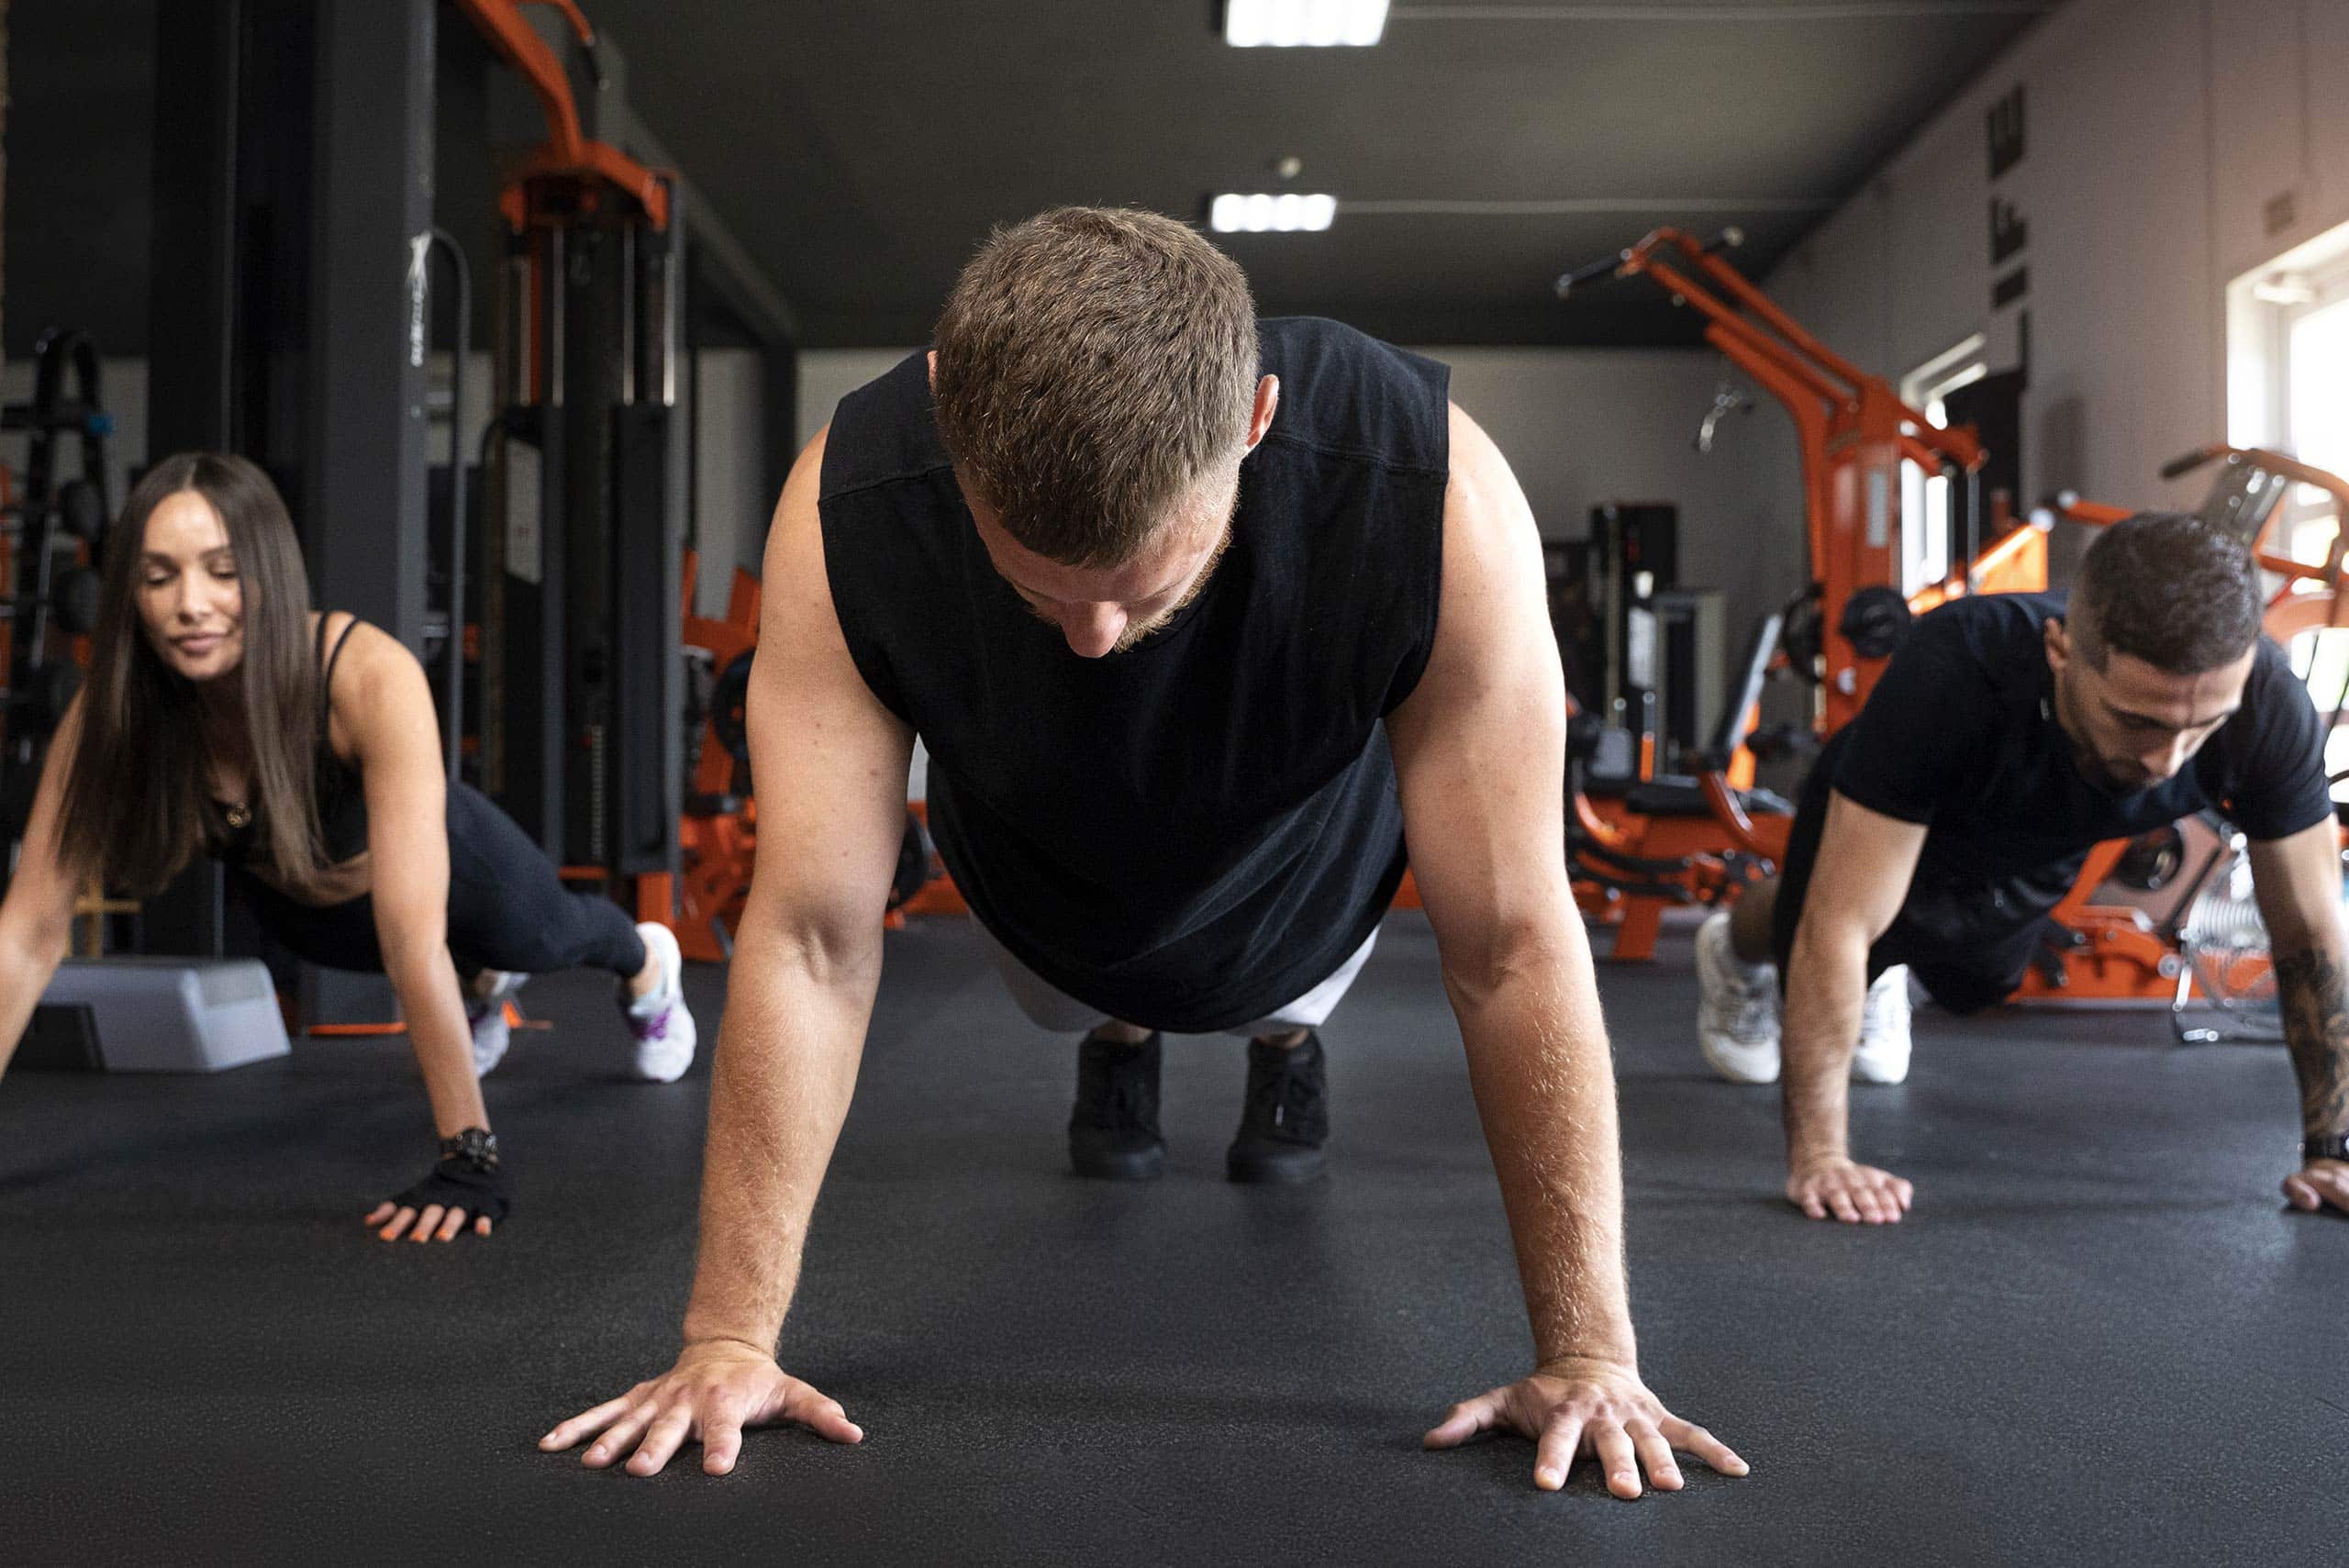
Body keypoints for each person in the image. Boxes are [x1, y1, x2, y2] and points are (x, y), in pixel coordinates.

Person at [539, 207, 1747, 1497]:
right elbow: (813, 937)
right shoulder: (851, 506)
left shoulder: (1431, 495)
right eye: (1045, 591)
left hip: (1299, 891)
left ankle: (1284, 1044)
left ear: (1257, 423)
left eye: (1143, 589)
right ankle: (1119, 1037)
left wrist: (1590, 1352)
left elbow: (1509, 941)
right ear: (952, 431)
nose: (1098, 641)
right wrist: (727, 1335)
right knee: (1087, 1001)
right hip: (1041, 892)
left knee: (1284, 996)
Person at [0, 452, 698, 1243]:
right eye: (159, 577)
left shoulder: (361, 673)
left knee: (545, 933)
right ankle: (479, 986)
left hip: (449, 871)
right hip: (310, 914)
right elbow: (25, 934)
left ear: (265, 573)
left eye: (221, 571)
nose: (190, 604)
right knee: (411, 948)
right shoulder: (116, 710)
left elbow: (409, 935)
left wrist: (469, 1152)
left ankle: (645, 965)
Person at [1693, 512, 2349, 1224]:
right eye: (2138, 721)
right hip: (1900, 808)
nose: (2169, 760)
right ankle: (1735, 944)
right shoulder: (1956, 665)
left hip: (2035, 839)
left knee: (1980, 980)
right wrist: (1822, 1157)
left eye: (2204, 727)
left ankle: (1882, 969)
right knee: (1824, 920)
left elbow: (2312, 934)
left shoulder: (2267, 705)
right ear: (2061, 649)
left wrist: (2332, 1148)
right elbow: (1840, 918)